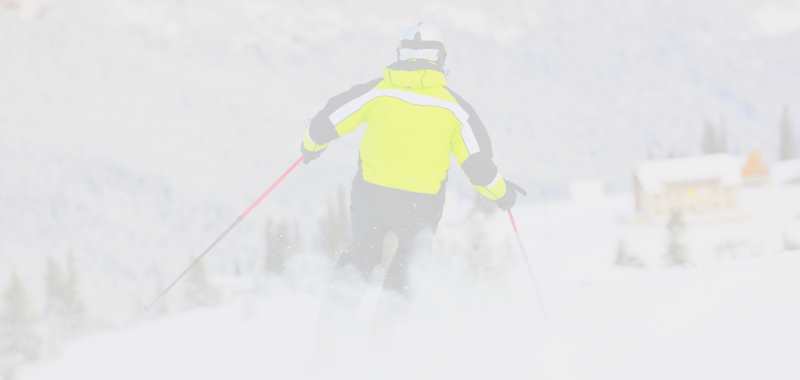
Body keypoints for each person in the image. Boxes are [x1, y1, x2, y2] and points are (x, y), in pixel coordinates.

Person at [301, 23, 524, 294]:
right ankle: (392, 328)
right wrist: (502, 193)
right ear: (440, 59)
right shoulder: (454, 109)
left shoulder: (378, 93)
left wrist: (312, 146)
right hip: (421, 204)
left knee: (361, 257)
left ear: (401, 54)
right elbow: (479, 167)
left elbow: (327, 121)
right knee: (408, 270)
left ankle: (336, 325)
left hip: (372, 195)